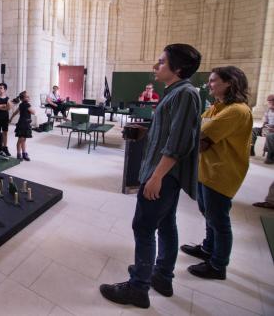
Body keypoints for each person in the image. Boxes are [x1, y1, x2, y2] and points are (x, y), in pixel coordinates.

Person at [100, 44, 202, 309]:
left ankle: (138, 288)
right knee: (166, 223)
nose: (155, 67)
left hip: (163, 175)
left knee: (143, 228)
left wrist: (156, 177)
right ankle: (162, 276)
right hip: (161, 172)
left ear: (177, 68)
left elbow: (178, 143)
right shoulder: (175, 93)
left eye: (161, 62)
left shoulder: (185, 94)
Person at [180, 66, 252, 280]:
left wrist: (195, 138)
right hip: (207, 170)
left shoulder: (237, 110)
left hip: (222, 171)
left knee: (219, 219)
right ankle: (208, 248)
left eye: (213, 81)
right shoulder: (217, 107)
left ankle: (218, 265)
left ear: (229, 83)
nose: (209, 84)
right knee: (207, 213)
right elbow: (198, 131)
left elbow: (200, 139)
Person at [10, 91, 35, 161]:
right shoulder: (26, 105)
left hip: (25, 123)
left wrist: (11, 118)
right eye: (27, 97)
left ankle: (24, 153)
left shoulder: (21, 105)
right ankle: (19, 154)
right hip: (23, 124)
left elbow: (15, 112)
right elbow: (33, 112)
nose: (29, 97)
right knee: (21, 140)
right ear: (23, 99)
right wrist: (30, 107)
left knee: (23, 140)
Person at [251, 94, 274, 161]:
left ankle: (271, 154)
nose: (269, 103)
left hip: (273, 131)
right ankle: (251, 148)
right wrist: (264, 127)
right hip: (268, 128)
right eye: (268, 101)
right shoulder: (268, 110)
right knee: (253, 130)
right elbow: (266, 121)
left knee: (270, 136)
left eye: (271, 101)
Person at [0, 82, 11, 157]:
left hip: (5, 118)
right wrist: (3, 106)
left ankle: (4, 147)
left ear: (5, 89)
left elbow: (8, 108)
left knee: (5, 133)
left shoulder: (7, 98)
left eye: (1, 88)